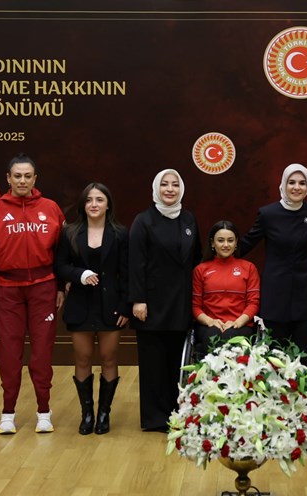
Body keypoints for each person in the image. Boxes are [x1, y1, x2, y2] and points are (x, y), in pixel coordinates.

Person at [0, 153, 65, 434]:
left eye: (27, 176)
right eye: (17, 176)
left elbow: (62, 251)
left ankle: (44, 410)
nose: (22, 181)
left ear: (35, 179)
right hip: (9, 289)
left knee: (41, 354)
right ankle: (8, 412)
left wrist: (60, 286)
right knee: (9, 354)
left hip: (43, 287)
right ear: (8, 179)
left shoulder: (51, 208)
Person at [129, 169, 201, 432]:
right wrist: (138, 300)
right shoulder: (143, 221)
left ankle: (178, 413)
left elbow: (196, 260)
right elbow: (135, 263)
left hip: (181, 303)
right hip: (151, 304)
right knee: (154, 364)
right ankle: (155, 418)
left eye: (175, 185)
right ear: (156, 189)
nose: (170, 189)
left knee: (177, 363)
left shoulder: (189, 219)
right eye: (164, 184)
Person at [54, 182, 130, 436]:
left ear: (108, 204)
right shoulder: (70, 232)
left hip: (112, 306)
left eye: (99, 199)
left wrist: (125, 307)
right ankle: (87, 414)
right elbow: (60, 266)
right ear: (83, 204)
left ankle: (104, 414)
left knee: (109, 358)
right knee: (83, 358)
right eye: (89, 200)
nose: (94, 204)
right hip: (80, 304)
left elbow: (127, 273)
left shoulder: (120, 233)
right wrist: (80, 274)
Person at [239, 163, 307, 366]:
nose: (297, 187)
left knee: (304, 356)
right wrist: (217, 254)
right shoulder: (268, 214)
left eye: (302, 183)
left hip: (305, 293)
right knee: (275, 356)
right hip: (276, 293)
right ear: (283, 184)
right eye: (292, 182)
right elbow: (247, 243)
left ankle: (305, 389)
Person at [192, 220, 260, 358]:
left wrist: (237, 323)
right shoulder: (201, 269)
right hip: (208, 326)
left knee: (230, 336)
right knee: (214, 336)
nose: (226, 245)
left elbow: (253, 303)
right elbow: (196, 307)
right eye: (220, 240)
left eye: (230, 240)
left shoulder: (249, 268)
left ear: (236, 243)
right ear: (212, 243)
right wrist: (210, 322)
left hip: (240, 325)